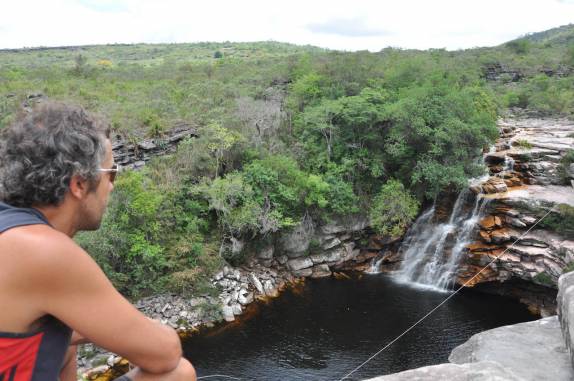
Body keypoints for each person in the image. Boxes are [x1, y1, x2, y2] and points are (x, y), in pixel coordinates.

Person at [0, 102, 196, 381]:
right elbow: (165, 353)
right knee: (179, 373)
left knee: (63, 341)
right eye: (111, 173)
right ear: (79, 184)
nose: (112, 185)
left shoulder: (11, 231)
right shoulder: (44, 253)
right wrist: (146, 330)